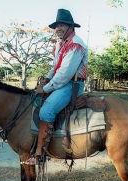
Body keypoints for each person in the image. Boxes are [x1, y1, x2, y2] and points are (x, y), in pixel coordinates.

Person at [25, 8, 87, 165]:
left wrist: (45, 89)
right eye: (56, 26)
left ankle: (40, 154)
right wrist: (46, 80)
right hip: (62, 82)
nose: (58, 29)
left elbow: (65, 74)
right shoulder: (60, 44)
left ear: (71, 27)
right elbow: (55, 68)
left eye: (62, 25)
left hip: (72, 84)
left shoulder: (75, 44)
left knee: (46, 110)